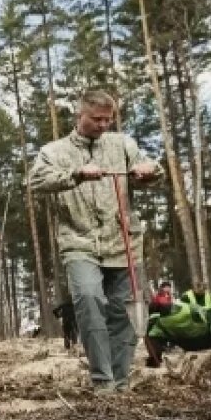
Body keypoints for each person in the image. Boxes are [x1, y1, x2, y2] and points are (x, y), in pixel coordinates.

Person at [28, 90, 163, 393]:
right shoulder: (54, 151)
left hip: (124, 241)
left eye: (108, 120)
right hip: (79, 241)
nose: (103, 125)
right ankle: (103, 382)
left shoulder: (123, 144)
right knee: (89, 300)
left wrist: (148, 172)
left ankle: (120, 383)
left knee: (124, 313)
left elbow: (154, 169)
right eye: (97, 119)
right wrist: (76, 174)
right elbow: (36, 181)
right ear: (80, 115)